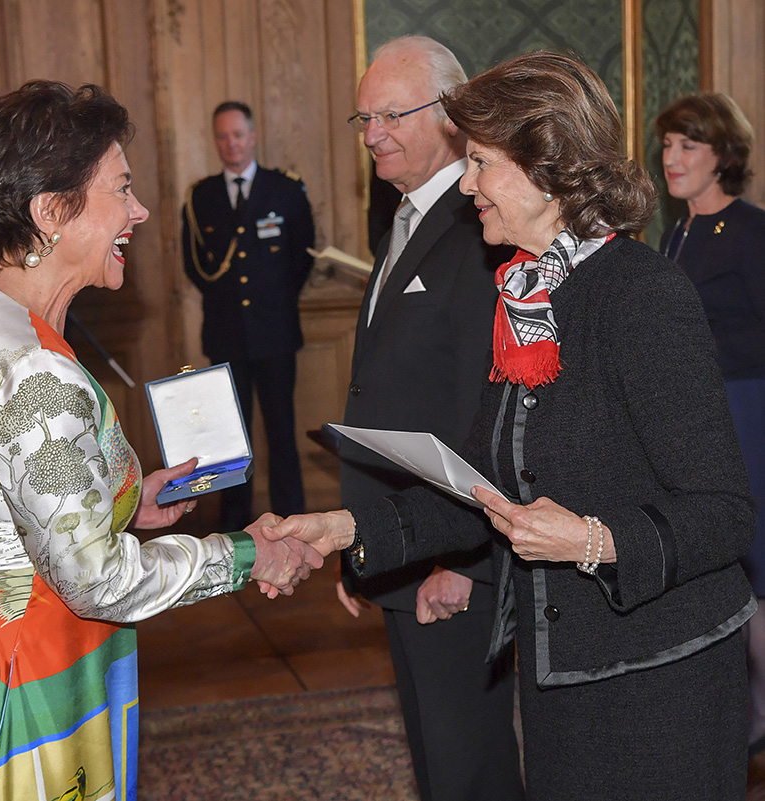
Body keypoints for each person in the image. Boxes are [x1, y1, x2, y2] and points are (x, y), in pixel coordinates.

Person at [263, 51, 757, 801]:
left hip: (663, 684)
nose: (466, 184)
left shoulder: (641, 295)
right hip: (561, 678)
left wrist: (594, 539)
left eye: (482, 162)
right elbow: (480, 481)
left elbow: (724, 514)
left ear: (548, 166)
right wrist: (340, 527)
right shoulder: (527, 294)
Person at [0, 81, 322, 801]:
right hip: (26, 677)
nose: (140, 210)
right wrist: (246, 553)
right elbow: (94, 580)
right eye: (120, 189)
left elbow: (12, 497)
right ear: (51, 210)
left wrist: (122, 499)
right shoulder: (31, 366)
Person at [339, 35, 522, 801]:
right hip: (402, 546)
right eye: (363, 116)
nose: (373, 132)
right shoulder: (406, 219)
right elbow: (388, 394)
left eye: (390, 114)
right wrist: (367, 545)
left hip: (450, 558)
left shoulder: (480, 224)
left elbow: (492, 405)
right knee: (435, 761)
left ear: (449, 114)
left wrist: (466, 560)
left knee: (468, 766)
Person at [656, 92, 765, 757]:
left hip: (748, 416)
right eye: (666, 145)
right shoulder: (675, 232)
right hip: (694, 420)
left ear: (723, 156)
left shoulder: (752, 230)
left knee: (757, 568)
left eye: (687, 146)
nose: (671, 158)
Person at [182, 101, 314, 531]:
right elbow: (194, 264)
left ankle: (290, 520)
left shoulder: (285, 190)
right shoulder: (201, 197)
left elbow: (301, 258)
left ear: (253, 137)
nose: (231, 144)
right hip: (225, 335)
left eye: (237, 135)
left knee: (281, 433)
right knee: (230, 441)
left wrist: (270, 300)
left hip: (275, 333)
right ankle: (233, 524)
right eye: (222, 136)